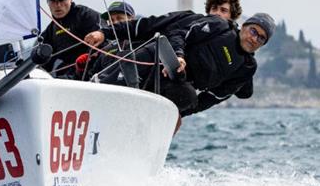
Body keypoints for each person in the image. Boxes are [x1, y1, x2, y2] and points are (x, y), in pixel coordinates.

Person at [86, 12, 275, 117]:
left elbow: (212, 98)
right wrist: (179, 55)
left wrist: (175, 116)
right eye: (253, 31)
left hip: (177, 81)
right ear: (244, 26)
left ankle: (142, 119)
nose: (254, 38)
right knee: (127, 72)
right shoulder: (219, 26)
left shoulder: (246, 68)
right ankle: (92, 95)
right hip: (159, 58)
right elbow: (177, 32)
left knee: (189, 98)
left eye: (261, 38)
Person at [40, 0, 101, 77]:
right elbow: (42, 61)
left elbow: (103, 45)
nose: (58, 5)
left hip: (89, 73)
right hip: (64, 78)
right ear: (47, 2)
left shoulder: (86, 16)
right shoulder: (50, 30)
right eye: (53, 1)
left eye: (61, 0)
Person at [75, 1, 136, 83]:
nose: (115, 23)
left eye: (119, 18)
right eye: (111, 20)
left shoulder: (140, 43)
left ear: (131, 19)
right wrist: (82, 69)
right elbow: (89, 79)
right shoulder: (106, 49)